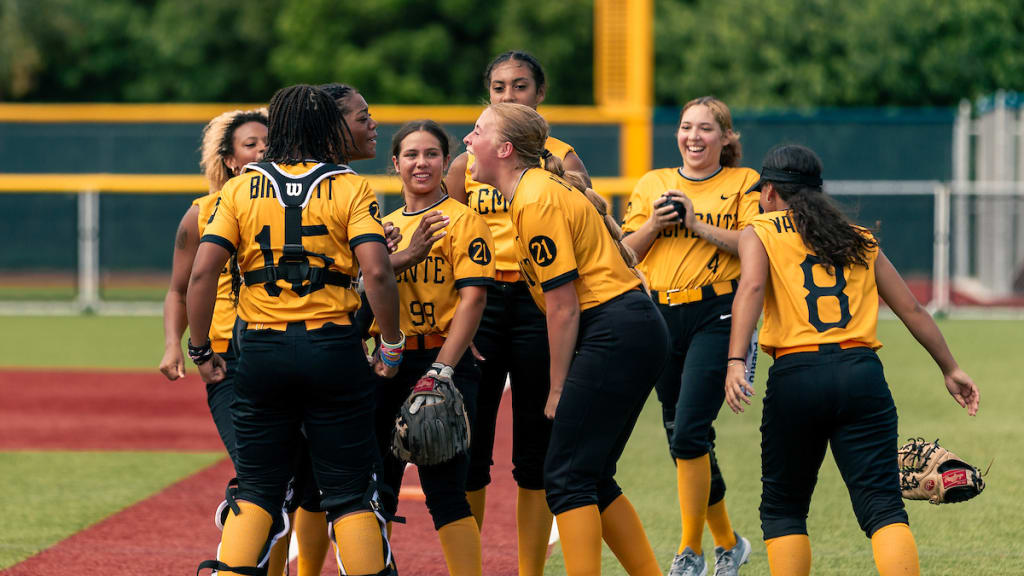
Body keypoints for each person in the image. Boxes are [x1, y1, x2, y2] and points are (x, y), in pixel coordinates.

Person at [724, 144, 980, 576]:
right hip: (861, 374)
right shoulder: (857, 236)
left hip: (797, 374)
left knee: (785, 508)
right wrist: (950, 368)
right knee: (882, 506)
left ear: (769, 192)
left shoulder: (760, 229)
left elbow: (749, 289)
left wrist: (734, 360)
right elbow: (912, 310)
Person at [188, 84, 403, 576]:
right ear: (326, 128)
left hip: (261, 347)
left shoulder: (239, 187)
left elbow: (203, 274)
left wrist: (200, 349)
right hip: (332, 345)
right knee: (350, 492)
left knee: (260, 487)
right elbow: (377, 272)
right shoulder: (350, 186)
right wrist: (390, 343)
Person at [465, 102, 668, 576]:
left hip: (615, 327)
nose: (467, 141)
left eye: (477, 132)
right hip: (628, 326)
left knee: (566, 476)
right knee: (590, 475)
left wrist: (557, 387)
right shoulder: (533, 190)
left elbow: (563, 305)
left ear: (505, 148)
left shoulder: (534, 197)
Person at [444, 50, 592, 575]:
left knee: (536, 453)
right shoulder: (466, 163)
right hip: (481, 303)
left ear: (540, 94)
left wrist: (573, 184)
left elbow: (590, 227)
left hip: (538, 302)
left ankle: (531, 569)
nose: (510, 95)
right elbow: (451, 239)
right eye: (500, 87)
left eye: (521, 86)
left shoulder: (563, 158)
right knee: (469, 448)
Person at [621, 95, 758, 576]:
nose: (693, 137)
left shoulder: (743, 183)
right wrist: (657, 224)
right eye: (685, 127)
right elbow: (625, 253)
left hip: (717, 311)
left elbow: (753, 246)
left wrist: (695, 223)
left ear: (725, 138)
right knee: (684, 437)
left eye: (705, 128)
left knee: (690, 434)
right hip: (659, 315)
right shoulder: (652, 183)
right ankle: (728, 543)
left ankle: (690, 553)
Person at [159, 108, 298, 575]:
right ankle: (232, 567)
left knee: (285, 478)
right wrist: (175, 345)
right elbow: (179, 289)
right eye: (250, 144)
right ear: (230, 158)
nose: (262, 151)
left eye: (268, 143)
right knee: (263, 474)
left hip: (280, 349)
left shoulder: (295, 206)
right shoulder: (201, 213)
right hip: (226, 358)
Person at [371, 120, 494, 576]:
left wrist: (442, 369)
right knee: (376, 487)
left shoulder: (465, 221)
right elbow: (364, 299)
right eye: (410, 154)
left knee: (445, 490)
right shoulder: (380, 229)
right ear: (395, 163)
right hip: (391, 360)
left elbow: (474, 297)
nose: (420, 163)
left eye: (431, 154)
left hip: (445, 362)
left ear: (446, 161)